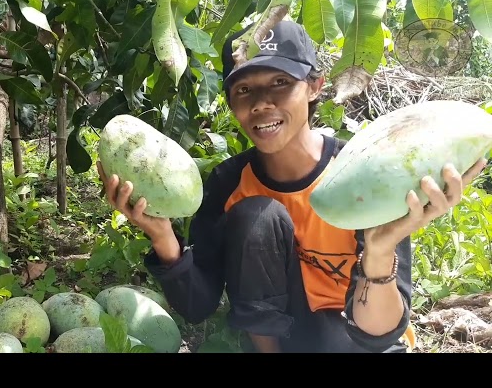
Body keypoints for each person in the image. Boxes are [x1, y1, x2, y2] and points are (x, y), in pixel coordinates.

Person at [96, 19, 487, 353]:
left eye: (280, 82)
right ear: (231, 102)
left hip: (356, 336)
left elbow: (378, 334)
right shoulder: (229, 182)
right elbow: (198, 305)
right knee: (256, 215)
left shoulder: (365, 172)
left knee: (336, 332)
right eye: (245, 90)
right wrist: (163, 235)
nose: (261, 103)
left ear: (315, 86)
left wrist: (380, 249)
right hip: (282, 342)